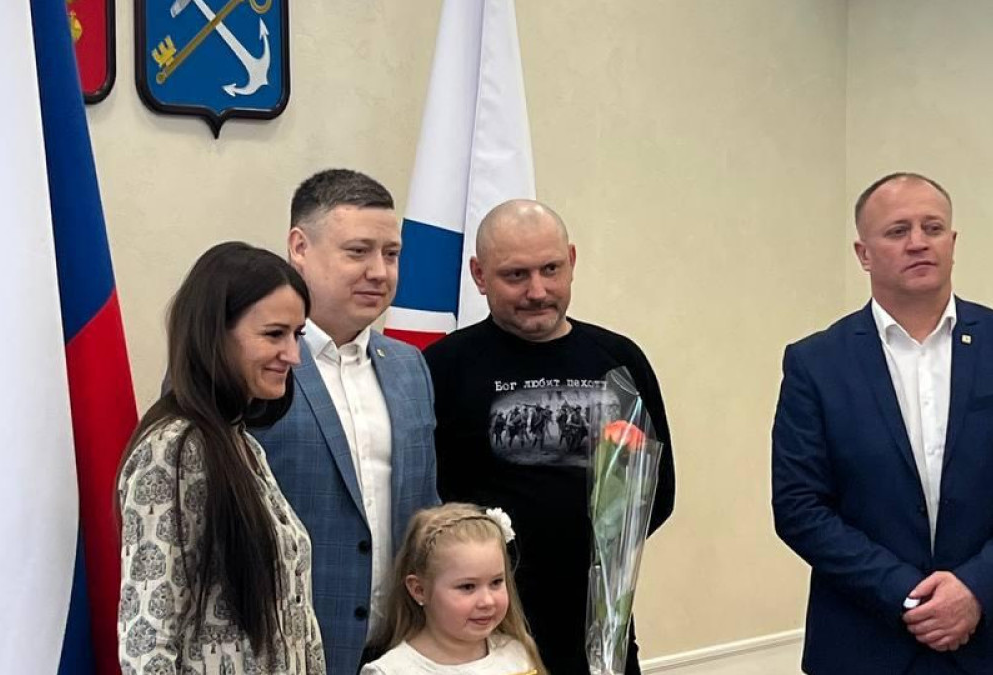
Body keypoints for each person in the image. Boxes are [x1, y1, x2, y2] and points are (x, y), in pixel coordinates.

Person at [771, 172, 993, 674]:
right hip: (864, 642)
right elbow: (799, 506)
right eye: (898, 231)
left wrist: (975, 588)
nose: (918, 242)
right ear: (863, 253)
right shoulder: (816, 363)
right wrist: (908, 595)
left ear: (952, 242)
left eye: (932, 228)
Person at [422, 199, 675, 675]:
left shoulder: (620, 359)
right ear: (479, 275)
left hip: (601, 626)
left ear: (572, 261)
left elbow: (657, 493)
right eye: (515, 275)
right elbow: (426, 502)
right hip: (483, 630)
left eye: (551, 269)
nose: (537, 291)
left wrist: (602, 562)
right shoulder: (441, 368)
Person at [251, 169, 439, 675]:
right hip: (281, 655)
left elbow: (424, 507)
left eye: (391, 254)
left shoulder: (410, 366)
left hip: (398, 654)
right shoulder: (250, 364)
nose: (379, 271)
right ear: (299, 247)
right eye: (358, 252)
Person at [116, 242, 325, 674]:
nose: (293, 355)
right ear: (215, 334)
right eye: (274, 334)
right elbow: (147, 639)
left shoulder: (242, 444)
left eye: (297, 335)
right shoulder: (174, 450)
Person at [361, 503, 546, 675]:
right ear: (419, 590)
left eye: (496, 582)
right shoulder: (391, 671)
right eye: (468, 587)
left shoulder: (516, 653)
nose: (487, 601)